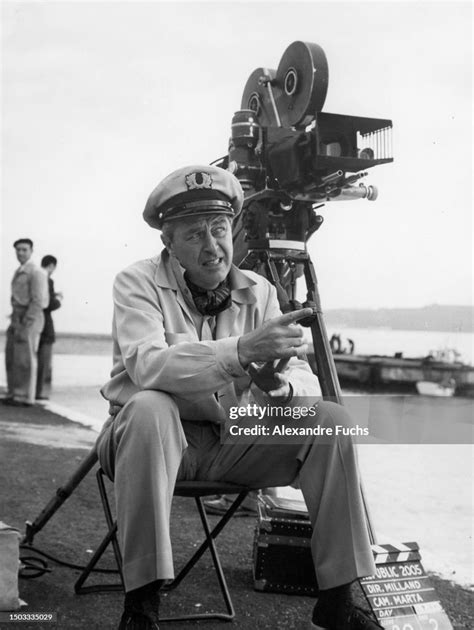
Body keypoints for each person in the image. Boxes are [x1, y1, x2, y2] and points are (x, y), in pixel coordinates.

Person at [95, 165, 381, 630]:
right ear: (168, 243)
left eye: (220, 230)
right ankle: (142, 605)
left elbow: (305, 382)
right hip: (152, 445)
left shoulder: (261, 291)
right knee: (150, 407)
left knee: (330, 419)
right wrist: (243, 351)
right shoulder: (136, 282)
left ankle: (337, 600)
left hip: (232, 442)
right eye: (194, 235)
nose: (212, 248)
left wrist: (282, 388)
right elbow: (148, 367)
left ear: (233, 230)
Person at [3, 238, 48, 406]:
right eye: (18, 249)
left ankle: (24, 397)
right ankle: (14, 393)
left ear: (31, 251)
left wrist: (27, 322)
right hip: (17, 317)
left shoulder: (36, 272)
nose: (20, 253)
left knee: (26, 358)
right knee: (12, 356)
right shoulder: (19, 271)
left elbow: (38, 301)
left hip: (30, 318)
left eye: (24, 249)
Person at [36, 255, 62, 400]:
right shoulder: (47, 279)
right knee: (44, 361)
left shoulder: (36, 277)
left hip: (35, 323)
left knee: (36, 359)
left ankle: (35, 390)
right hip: (45, 325)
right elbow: (49, 304)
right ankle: (40, 392)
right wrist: (58, 300)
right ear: (52, 265)